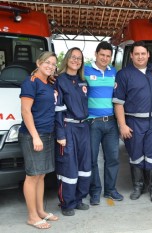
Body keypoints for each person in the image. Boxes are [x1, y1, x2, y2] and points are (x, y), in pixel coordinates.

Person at [114, 41, 152, 203]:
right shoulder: (124, 74)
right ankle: (138, 187)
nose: (140, 57)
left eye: (143, 53)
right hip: (133, 122)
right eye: (137, 54)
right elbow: (118, 102)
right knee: (136, 155)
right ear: (132, 56)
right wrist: (122, 125)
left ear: (148, 55)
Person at [19, 51, 59, 229]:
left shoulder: (49, 82)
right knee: (32, 176)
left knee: (41, 175)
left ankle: (41, 211)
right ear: (38, 62)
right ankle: (32, 216)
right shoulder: (31, 82)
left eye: (53, 64)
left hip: (47, 133)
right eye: (47, 63)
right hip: (33, 135)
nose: (50, 66)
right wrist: (35, 136)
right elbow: (26, 111)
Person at [86, 41, 123, 205]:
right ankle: (95, 192)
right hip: (92, 122)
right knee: (92, 159)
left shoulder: (113, 71)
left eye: (108, 56)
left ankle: (110, 190)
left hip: (111, 123)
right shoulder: (85, 70)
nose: (105, 58)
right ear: (96, 54)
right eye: (102, 55)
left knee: (113, 158)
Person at [55, 47, 91, 216]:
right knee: (68, 166)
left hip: (84, 127)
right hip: (68, 127)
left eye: (79, 58)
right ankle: (66, 203)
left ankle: (78, 199)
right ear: (67, 58)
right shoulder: (59, 80)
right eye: (73, 57)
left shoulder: (83, 81)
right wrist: (60, 134)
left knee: (84, 166)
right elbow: (57, 110)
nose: (76, 60)